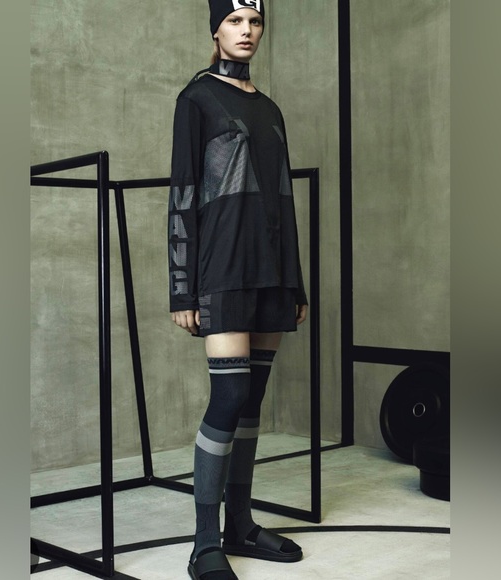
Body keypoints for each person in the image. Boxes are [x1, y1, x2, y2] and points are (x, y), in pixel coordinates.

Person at [168, 1, 308, 578]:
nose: (246, 31)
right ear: (216, 29)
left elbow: (284, 197)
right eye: (234, 21)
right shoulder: (197, 98)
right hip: (222, 267)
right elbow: (183, 191)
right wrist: (182, 289)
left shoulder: (270, 109)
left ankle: (241, 525)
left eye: (255, 21)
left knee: (252, 399)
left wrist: (295, 282)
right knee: (228, 397)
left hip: (273, 270)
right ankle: (205, 542)